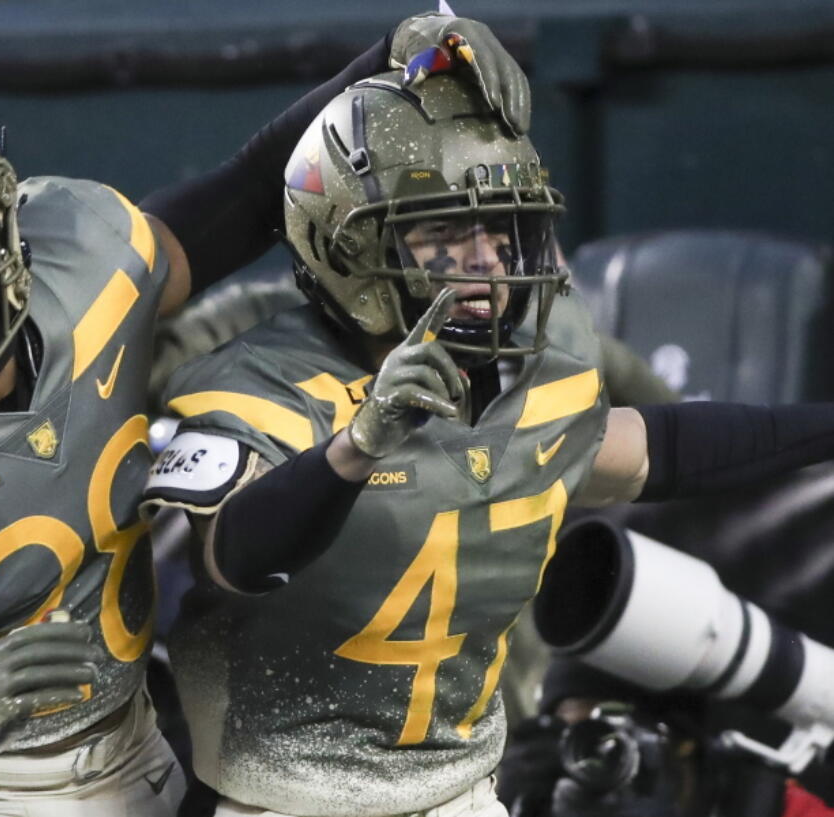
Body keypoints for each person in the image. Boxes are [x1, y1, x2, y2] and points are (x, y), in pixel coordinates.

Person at [0, 13, 529, 817]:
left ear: (1, 227)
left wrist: (403, 51)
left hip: (138, 752)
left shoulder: (90, 268)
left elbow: (255, 189)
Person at [141, 67, 834, 817]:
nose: (486, 260)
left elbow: (652, 446)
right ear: (350, 243)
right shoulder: (261, 380)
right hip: (290, 793)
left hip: (461, 788)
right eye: (444, 229)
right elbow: (235, 554)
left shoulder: (521, 380)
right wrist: (357, 447)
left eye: (500, 228)